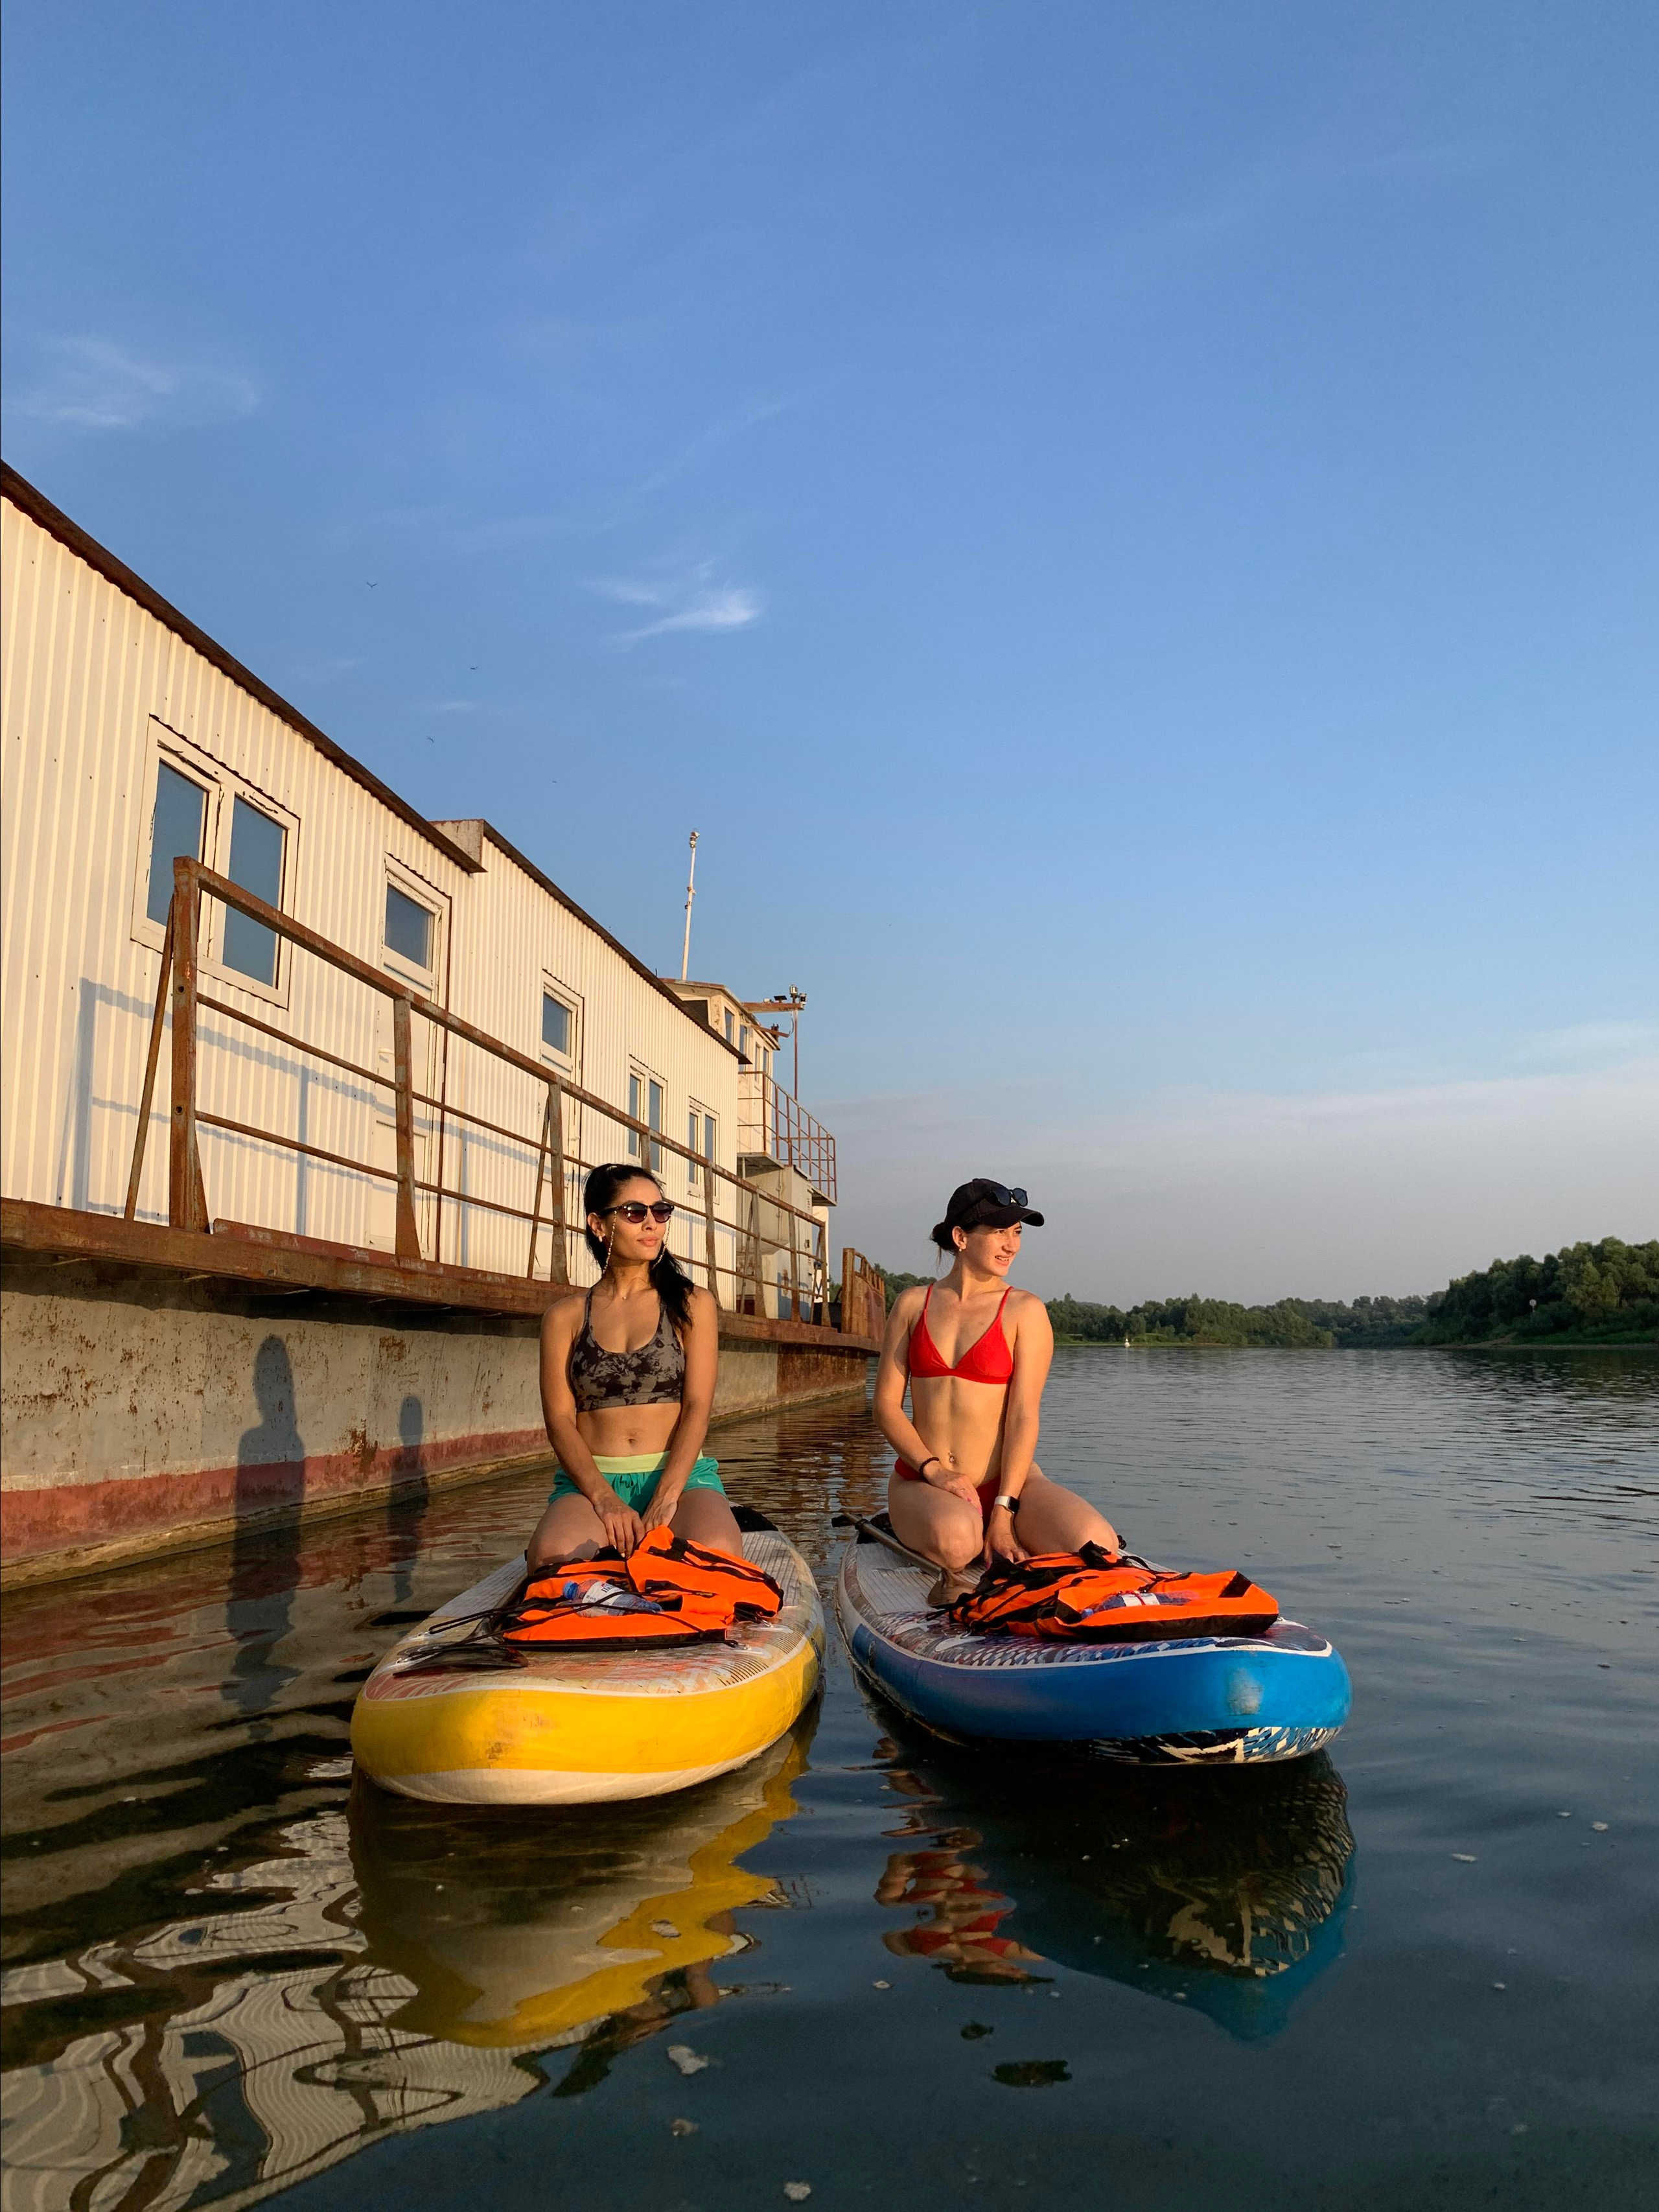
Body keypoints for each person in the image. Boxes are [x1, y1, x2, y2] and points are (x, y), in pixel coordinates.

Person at [874, 1178, 1120, 1605]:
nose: (1012, 1244)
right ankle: (957, 1528)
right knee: (957, 1542)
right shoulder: (913, 1304)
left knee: (1098, 1542)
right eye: (1000, 1231)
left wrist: (1005, 1508)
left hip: (1008, 1483)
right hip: (925, 1483)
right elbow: (886, 1406)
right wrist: (934, 1471)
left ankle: (1000, 1527)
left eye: (1018, 1232)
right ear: (961, 1237)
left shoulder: (1026, 1311)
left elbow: (1024, 1415)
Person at [528, 1161, 740, 1567]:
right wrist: (605, 1501)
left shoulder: (692, 1304)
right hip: (591, 1485)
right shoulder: (565, 1317)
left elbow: (698, 1407)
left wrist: (666, 1496)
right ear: (599, 1224)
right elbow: (559, 1420)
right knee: (554, 1558)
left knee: (718, 1553)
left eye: (660, 1212)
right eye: (635, 1213)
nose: (652, 1224)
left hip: (680, 1479)